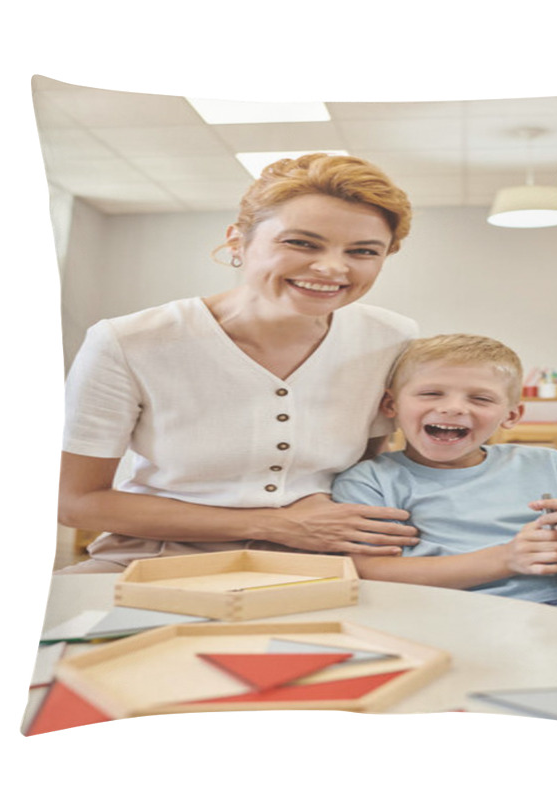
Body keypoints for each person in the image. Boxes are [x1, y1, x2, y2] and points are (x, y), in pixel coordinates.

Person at [56, 153, 422, 573]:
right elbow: (76, 503)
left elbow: (371, 473)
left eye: (362, 251)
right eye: (301, 242)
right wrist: (275, 524)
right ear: (237, 241)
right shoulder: (129, 341)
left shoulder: (391, 338)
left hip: (323, 559)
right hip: (153, 555)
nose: (331, 267)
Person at [331, 334, 557, 642]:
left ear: (510, 415)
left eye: (480, 399)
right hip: (476, 614)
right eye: (431, 393)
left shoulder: (548, 463)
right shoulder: (369, 481)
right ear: (391, 405)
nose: (453, 407)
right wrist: (505, 559)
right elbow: (370, 571)